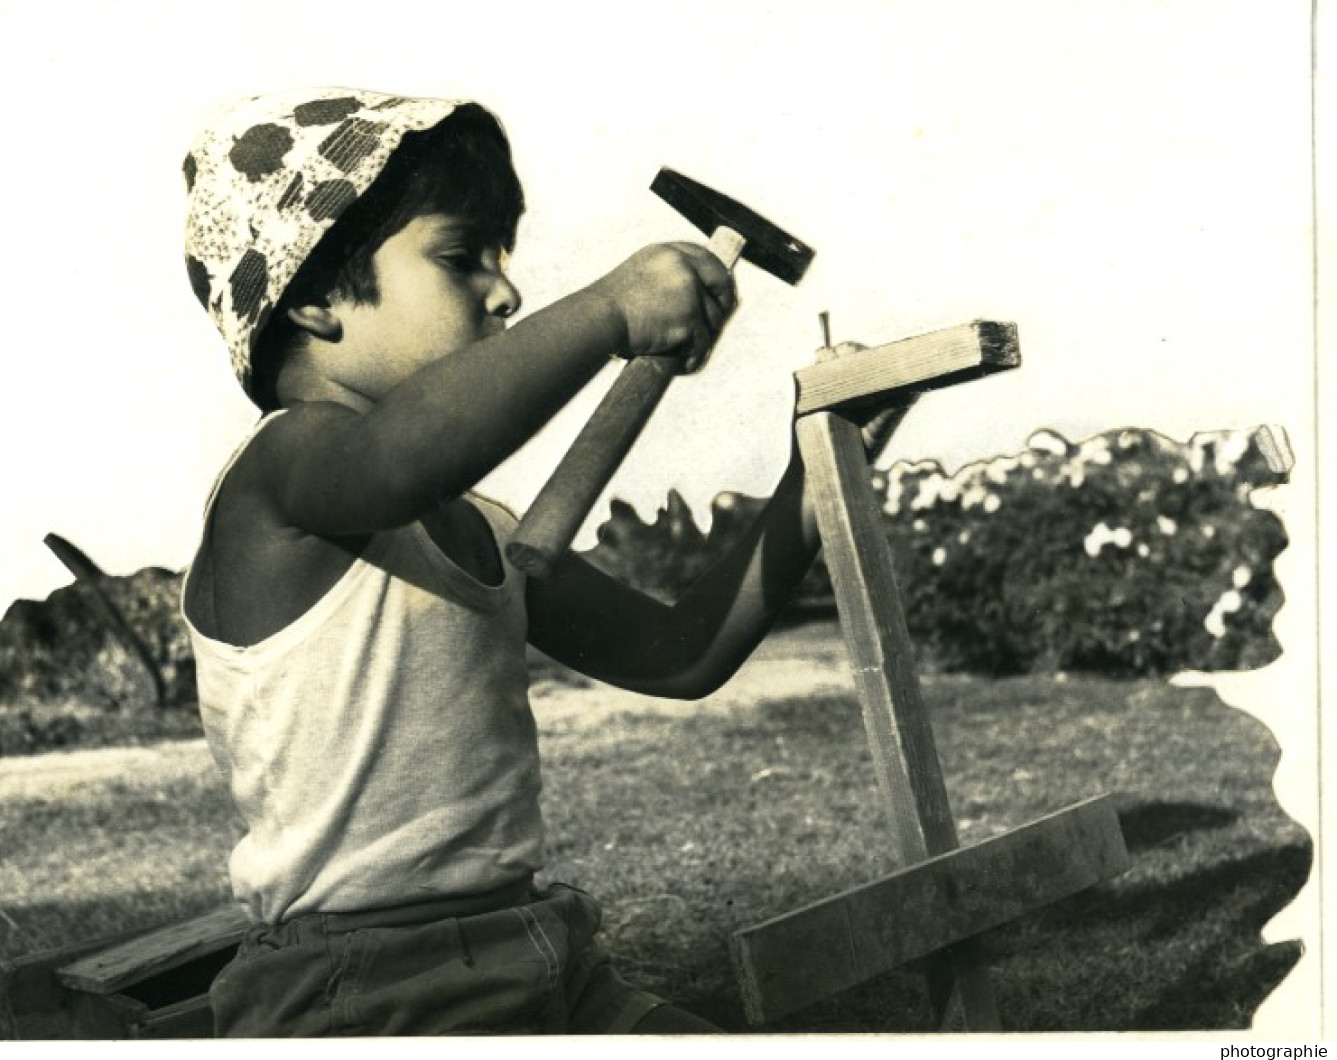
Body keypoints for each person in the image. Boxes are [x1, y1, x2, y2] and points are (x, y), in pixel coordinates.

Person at [179, 88, 890, 1036]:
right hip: (361, 990)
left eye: (501, 260)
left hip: (542, 949)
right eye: (460, 257)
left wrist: (817, 471)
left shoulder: (479, 524)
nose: (505, 292)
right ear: (312, 296)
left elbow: (677, 651)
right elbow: (394, 462)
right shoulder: (284, 474)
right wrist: (607, 311)